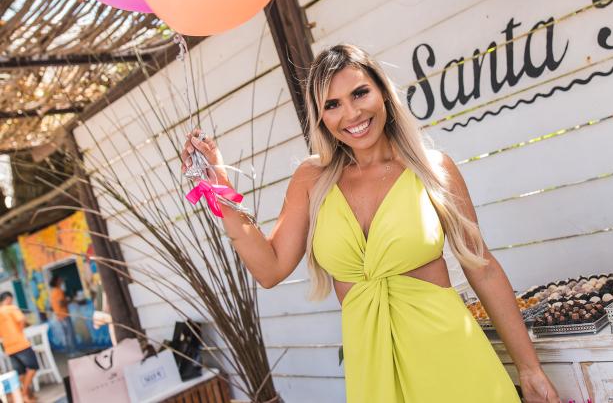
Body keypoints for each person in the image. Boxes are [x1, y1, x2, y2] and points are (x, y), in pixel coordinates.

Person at [181, 45, 559, 403]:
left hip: (452, 359)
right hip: (372, 372)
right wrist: (219, 185)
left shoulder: (432, 168)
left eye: (359, 93)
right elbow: (270, 269)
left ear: (382, 93)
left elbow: (483, 268)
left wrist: (530, 369)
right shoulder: (311, 179)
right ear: (320, 116)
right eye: (332, 104)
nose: (351, 114)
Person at [0, 291, 39, 403]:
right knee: (33, 367)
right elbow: (22, 320)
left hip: (8, 347)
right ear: (8, 299)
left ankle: (28, 395)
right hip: (21, 344)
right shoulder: (11, 308)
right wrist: (19, 330)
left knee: (21, 373)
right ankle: (24, 394)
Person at [48, 276, 75, 355]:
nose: (61, 281)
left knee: (65, 335)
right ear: (56, 282)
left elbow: (53, 306)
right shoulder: (59, 291)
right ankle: (72, 352)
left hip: (59, 316)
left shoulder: (53, 292)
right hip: (64, 315)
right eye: (60, 280)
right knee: (69, 334)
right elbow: (61, 303)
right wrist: (69, 300)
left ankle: (68, 352)